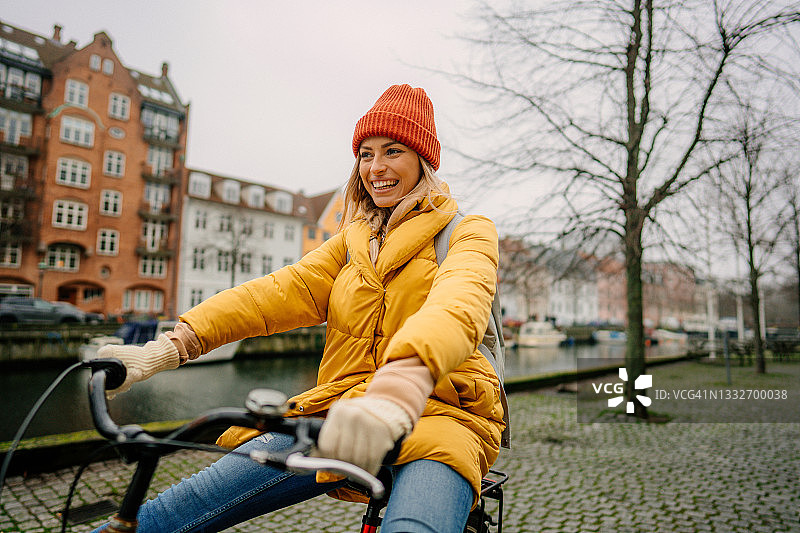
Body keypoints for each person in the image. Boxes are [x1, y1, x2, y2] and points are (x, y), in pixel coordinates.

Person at [94, 84, 504, 533]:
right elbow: (274, 293)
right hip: (345, 412)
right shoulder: (351, 243)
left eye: (393, 151)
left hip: (446, 414)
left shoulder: (467, 232)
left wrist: (397, 390)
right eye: (365, 154)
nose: (376, 167)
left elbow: (456, 305)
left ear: (423, 159)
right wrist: (171, 347)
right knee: (175, 508)